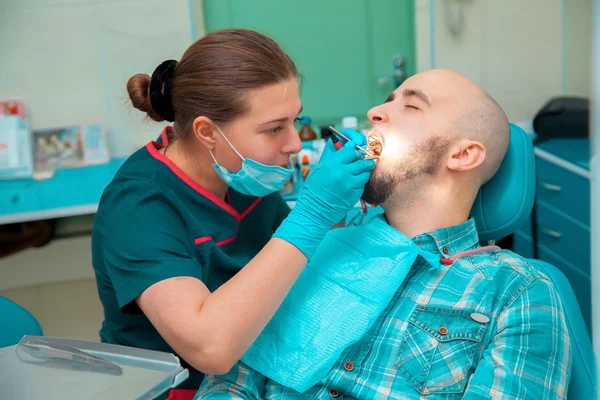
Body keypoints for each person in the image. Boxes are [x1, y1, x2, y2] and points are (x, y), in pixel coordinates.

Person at [195, 69, 571, 399]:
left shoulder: (516, 291)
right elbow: (230, 383)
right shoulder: (315, 251)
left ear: (462, 155)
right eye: (387, 101)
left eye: (411, 106)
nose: (375, 113)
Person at [90, 28, 375, 396]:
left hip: (253, 367)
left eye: (295, 121)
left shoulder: (240, 176)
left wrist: (340, 209)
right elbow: (210, 348)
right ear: (207, 132)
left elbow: (293, 260)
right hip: (172, 387)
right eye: (274, 128)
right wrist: (314, 212)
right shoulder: (138, 207)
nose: (293, 143)